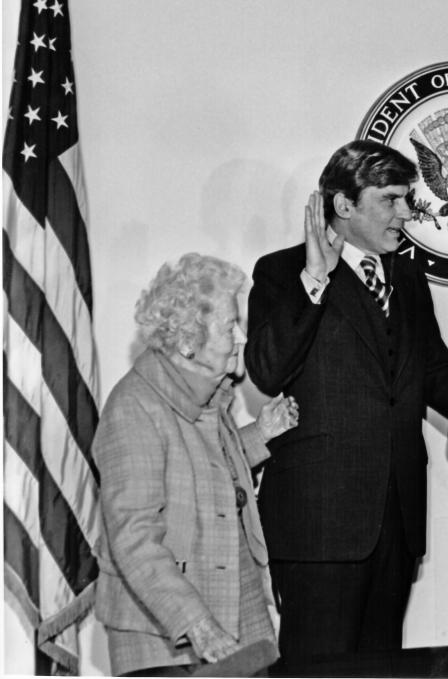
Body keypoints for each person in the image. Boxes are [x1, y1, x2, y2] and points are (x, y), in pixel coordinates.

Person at [244, 139, 448, 667]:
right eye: (391, 199)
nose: (407, 212)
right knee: (315, 671)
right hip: (318, 525)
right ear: (343, 205)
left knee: (383, 668)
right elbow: (266, 370)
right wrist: (315, 280)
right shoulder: (281, 273)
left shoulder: (407, 277)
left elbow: (432, 371)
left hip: (396, 518)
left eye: (406, 198)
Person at [94, 254, 299, 676]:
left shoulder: (206, 396)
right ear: (188, 342)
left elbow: (201, 471)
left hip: (237, 614)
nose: (241, 337)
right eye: (229, 326)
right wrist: (196, 625)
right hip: (165, 638)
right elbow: (134, 537)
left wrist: (259, 434)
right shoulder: (134, 408)